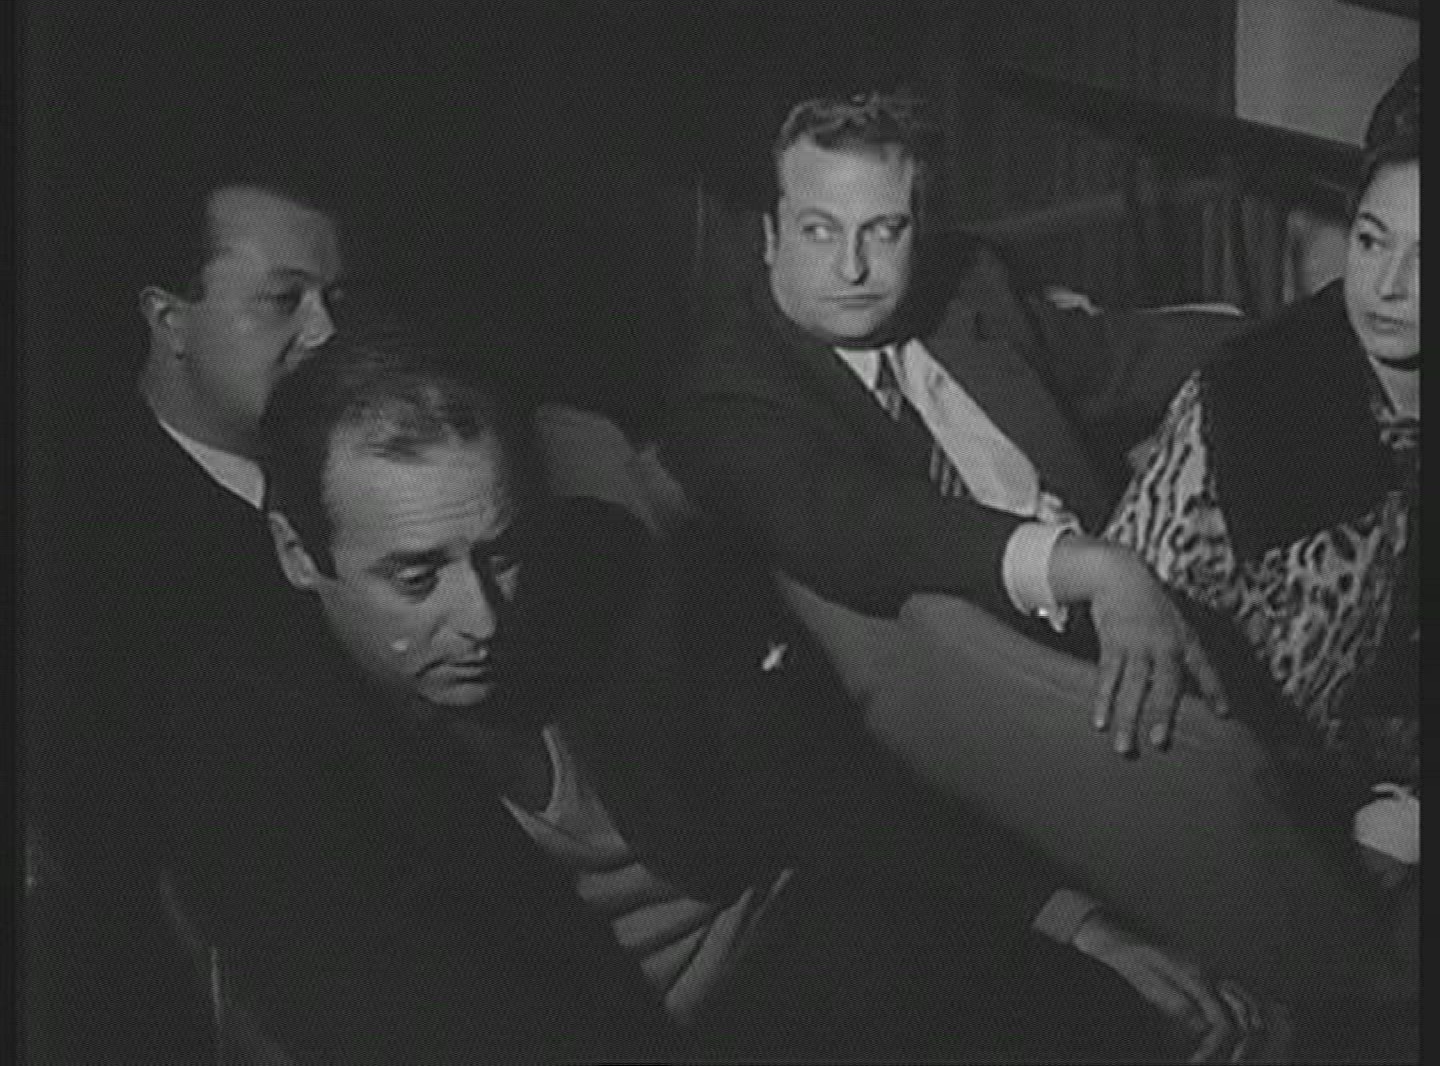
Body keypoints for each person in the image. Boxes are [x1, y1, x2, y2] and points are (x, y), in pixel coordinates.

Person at [157, 326, 1267, 1063]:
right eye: (415, 578)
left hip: (807, 951)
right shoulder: (254, 759)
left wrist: (1075, 924)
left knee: (1180, 1022)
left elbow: (823, 783)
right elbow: (448, 1037)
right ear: (298, 553)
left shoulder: (597, 573)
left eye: (498, 553)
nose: (484, 617)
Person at [663, 91, 1228, 759]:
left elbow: (1110, 355)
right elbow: (869, 524)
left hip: (1142, 578)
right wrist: (1090, 565)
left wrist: (1304, 330)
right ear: (769, 235)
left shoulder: (963, 289)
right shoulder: (729, 390)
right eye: (819, 230)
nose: (852, 267)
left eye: (884, 230)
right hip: (1035, 692)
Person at [1104, 72, 1419, 1029]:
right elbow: (1155, 705)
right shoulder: (1252, 404)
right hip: (1241, 822)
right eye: (1372, 241)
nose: (1389, 287)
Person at [23, 170, 347, 1061]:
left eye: (335, 300)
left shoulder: (353, 467)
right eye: (283, 301)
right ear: (170, 319)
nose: (327, 334)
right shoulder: (78, 546)